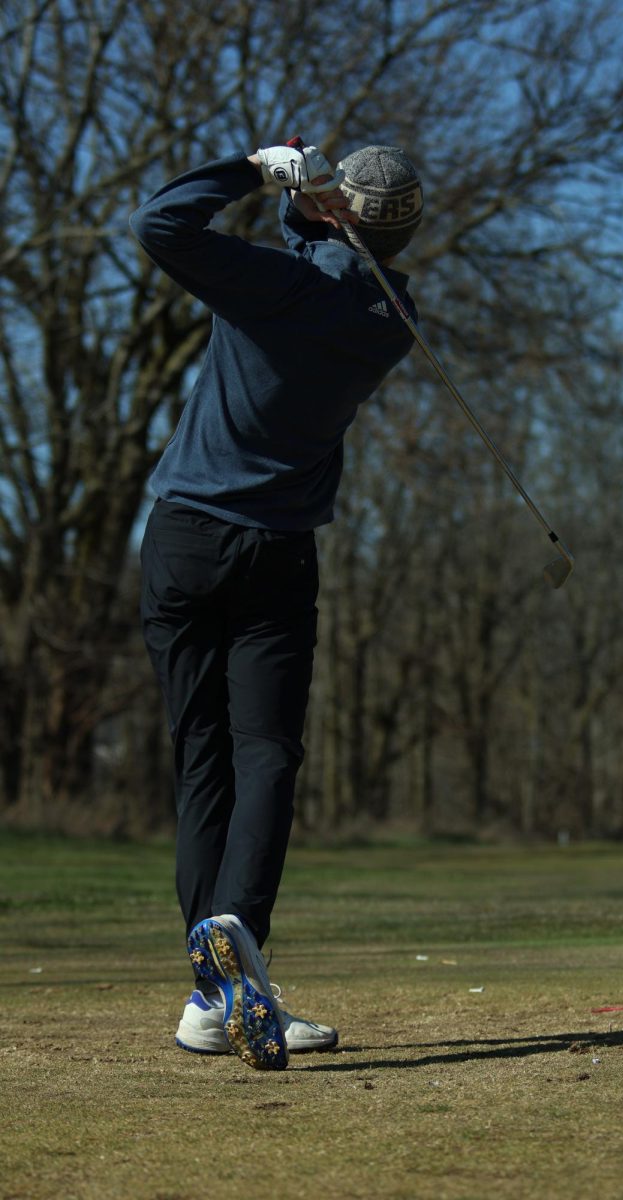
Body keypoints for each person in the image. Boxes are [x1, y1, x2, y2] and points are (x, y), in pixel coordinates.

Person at [130, 138, 423, 1070]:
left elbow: (161, 223)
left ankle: (217, 996)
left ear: (339, 214)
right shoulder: (391, 316)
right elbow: (331, 264)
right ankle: (232, 969)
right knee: (267, 755)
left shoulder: (264, 285)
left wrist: (255, 172)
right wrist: (320, 216)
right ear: (407, 230)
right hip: (277, 554)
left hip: (183, 541)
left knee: (203, 758)